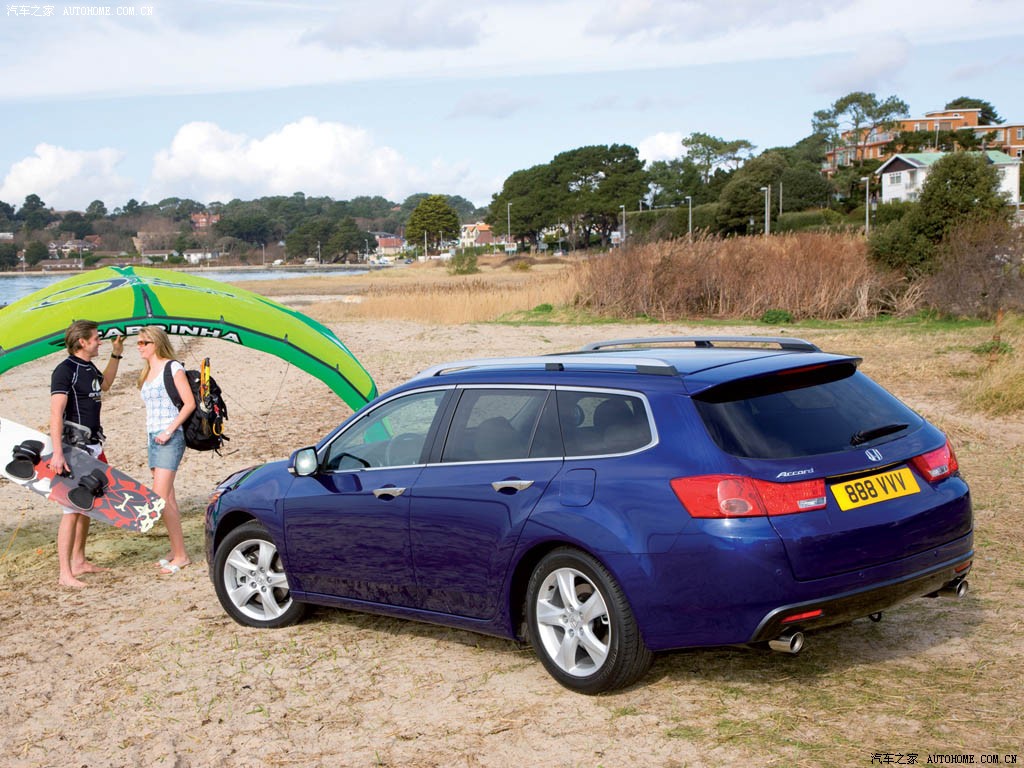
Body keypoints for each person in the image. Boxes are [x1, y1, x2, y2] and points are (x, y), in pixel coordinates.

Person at [50, 319, 125, 588]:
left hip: (94, 445)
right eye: (96, 338)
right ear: (82, 342)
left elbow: (106, 384)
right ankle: (65, 573)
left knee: (87, 505)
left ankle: (79, 561)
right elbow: (56, 414)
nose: (99, 341)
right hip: (74, 449)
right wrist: (57, 453)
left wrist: (116, 353)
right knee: (71, 509)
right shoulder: (65, 370)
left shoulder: (89, 367)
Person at [136, 326, 195, 575]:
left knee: (158, 498)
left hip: (170, 437)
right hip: (153, 437)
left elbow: (189, 403)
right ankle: (177, 551)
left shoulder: (173, 368)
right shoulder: (147, 371)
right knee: (168, 498)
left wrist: (169, 430)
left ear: (156, 343)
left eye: (144, 343)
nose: (139, 347)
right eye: (138, 343)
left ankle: (181, 556)